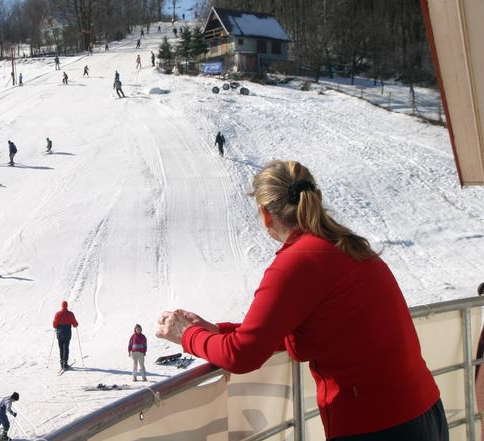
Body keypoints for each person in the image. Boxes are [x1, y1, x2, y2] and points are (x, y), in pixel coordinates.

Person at [156, 160, 447, 441]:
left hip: (376, 426)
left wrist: (187, 335)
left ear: (266, 214)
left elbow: (243, 356)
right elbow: (311, 325)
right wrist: (218, 331)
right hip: (423, 412)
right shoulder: (345, 244)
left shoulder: (298, 261)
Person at [53, 301, 79, 370]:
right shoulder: (70, 314)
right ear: (67, 306)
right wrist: (75, 324)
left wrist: (57, 326)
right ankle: (65, 363)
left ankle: (61, 362)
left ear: (62, 306)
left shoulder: (58, 314)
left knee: (61, 348)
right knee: (66, 348)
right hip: (67, 333)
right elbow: (75, 324)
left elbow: (54, 325)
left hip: (60, 333)